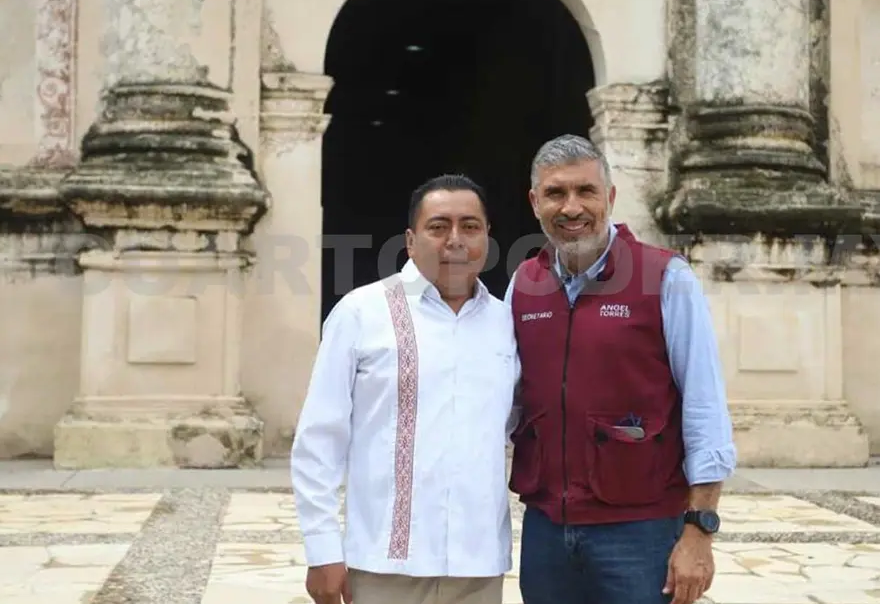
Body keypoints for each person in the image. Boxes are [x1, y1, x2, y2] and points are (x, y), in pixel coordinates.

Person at [504, 134, 737, 604]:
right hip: (547, 530)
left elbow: (704, 407)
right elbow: (502, 404)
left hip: (640, 532)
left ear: (610, 197)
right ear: (534, 203)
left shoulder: (666, 278)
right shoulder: (522, 285)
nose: (571, 207)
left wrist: (700, 530)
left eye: (585, 191)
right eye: (555, 193)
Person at [291, 174, 518, 604]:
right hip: (383, 565)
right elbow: (320, 438)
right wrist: (322, 550)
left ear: (488, 237)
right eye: (438, 227)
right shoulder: (361, 313)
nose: (455, 240)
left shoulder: (506, 324)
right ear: (411, 241)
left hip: (478, 567)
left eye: (470, 226)